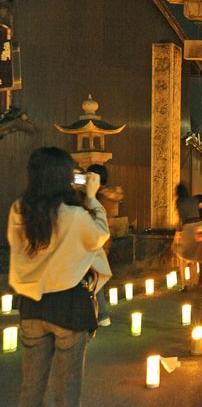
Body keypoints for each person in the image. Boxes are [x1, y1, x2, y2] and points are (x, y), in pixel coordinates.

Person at [8, 147, 111, 407]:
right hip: (69, 306)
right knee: (67, 389)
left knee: (31, 387)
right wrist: (92, 198)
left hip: (31, 304)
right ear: (64, 177)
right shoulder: (75, 215)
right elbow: (99, 235)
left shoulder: (19, 210)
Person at [86, 163, 123, 328]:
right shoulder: (110, 195)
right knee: (94, 275)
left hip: (95, 239)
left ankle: (102, 314)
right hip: (103, 239)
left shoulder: (98, 197)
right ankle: (100, 314)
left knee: (92, 277)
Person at [173, 183, 202, 289]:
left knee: (182, 256)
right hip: (197, 227)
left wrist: (178, 231)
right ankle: (194, 280)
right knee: (194, 256)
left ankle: (184, 283)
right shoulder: (193, 200)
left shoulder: (179, 202)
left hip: (188, 228)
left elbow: (181, 218)